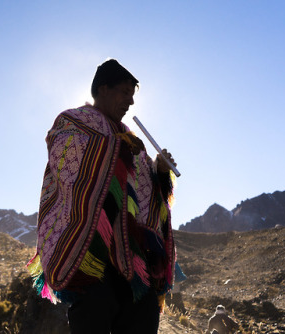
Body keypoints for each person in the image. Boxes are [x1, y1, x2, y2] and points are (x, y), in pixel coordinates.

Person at [27, 59, 178, 334]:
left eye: (133, 96)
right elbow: (65, 160)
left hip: (133, 257)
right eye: (125, 92)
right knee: (93, 316)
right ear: (103, 89)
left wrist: (159, 171)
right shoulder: (73, 121)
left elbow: (139, 189)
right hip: (91, 252)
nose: (130, 102)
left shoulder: (129, 137)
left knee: (143, 319)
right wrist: (115, 147)